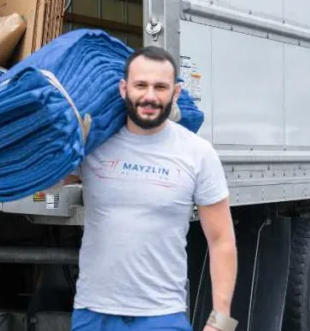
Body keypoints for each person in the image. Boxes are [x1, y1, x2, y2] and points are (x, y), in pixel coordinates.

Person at [71, 46, 238, 331]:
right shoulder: (92, 144)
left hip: (162, 316)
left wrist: (221, 322)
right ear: (124, 89)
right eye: (141, 85)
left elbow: (222, 240)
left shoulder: (197, 153)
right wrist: (67, 142)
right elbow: (45, 184)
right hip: (93, 313)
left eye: (160, 87)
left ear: (175, 93)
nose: (150, 96)